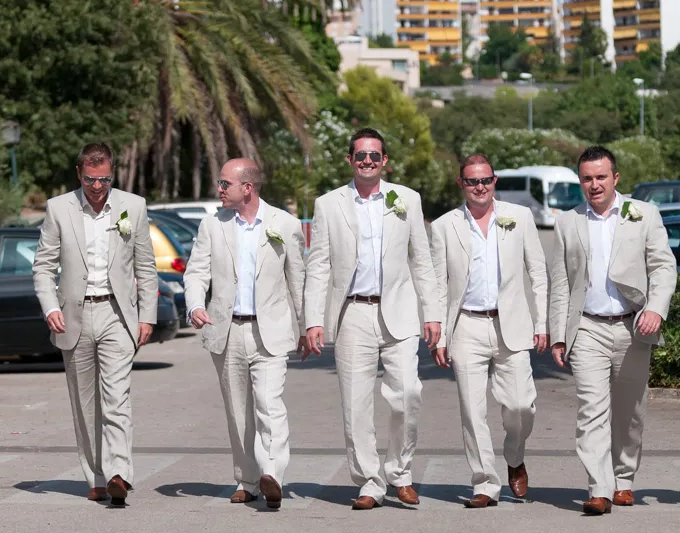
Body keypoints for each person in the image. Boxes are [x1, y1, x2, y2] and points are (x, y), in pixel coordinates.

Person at [303, 128, 441, 510]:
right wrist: (313, 319)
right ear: (350, 160)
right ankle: (369, 481)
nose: (367, 161)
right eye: (360, 156)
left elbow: (422, 260)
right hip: (352, 313)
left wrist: (432, 312)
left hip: (398, 310)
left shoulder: (407, 200)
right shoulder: (328, 204)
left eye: (374, 156)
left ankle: (400, 471)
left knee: (408, 394)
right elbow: (318, 266)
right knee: (355, 403)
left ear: (385, 162)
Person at [548, 146, 676, 515]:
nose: (594, 184)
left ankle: (623, 480)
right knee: (591, 409)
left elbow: (664, 269)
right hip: (587, 328)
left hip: (633, 327)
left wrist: (655, 308)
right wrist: (559, 333)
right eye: (587, 178)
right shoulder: (567, 222)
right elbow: (561, 282)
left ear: (615, 178)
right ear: (580, 181)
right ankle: (598, 488)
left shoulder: (644, 214)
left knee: (630, 412)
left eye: (601, 177)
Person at [32, 142, 157, 506]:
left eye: (104, 179)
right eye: (90, 179)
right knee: (85, 402)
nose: (98, 187)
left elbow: (145, 266)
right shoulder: (59, 208)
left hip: (117, 314)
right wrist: (49, 306)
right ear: (79, 173)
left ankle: (119, 472)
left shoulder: (133, 207)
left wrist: (147, 315)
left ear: (112, 172)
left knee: (117, 397)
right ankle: (97, 476)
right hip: (73, 315)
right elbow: (43, 266)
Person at [183, 159, 307, 509]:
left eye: (225, 184)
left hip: (270, 331)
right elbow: (196, 273)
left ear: (247, 188)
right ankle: (247, 479)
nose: (219, 190)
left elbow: (298, 279)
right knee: (238, 413)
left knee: (270, 405)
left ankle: (272, 474)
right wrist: (195, 305)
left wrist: (306, 326)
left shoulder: (285, 223)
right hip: (226, 329)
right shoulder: (213, 225)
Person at [429, 154, 547, 508]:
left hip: (511, 324)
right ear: (461, 184)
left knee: (521, 406)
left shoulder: (520, 217)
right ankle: (484, 483)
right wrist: (440, 334)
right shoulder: (444, 226)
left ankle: (514, 456)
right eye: (472, 181)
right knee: (472, 410)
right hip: (466, 324)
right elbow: (437, 283)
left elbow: (538, 273)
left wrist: (542, 323)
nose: (480, 187)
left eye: (486, 180)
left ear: (494, 181)